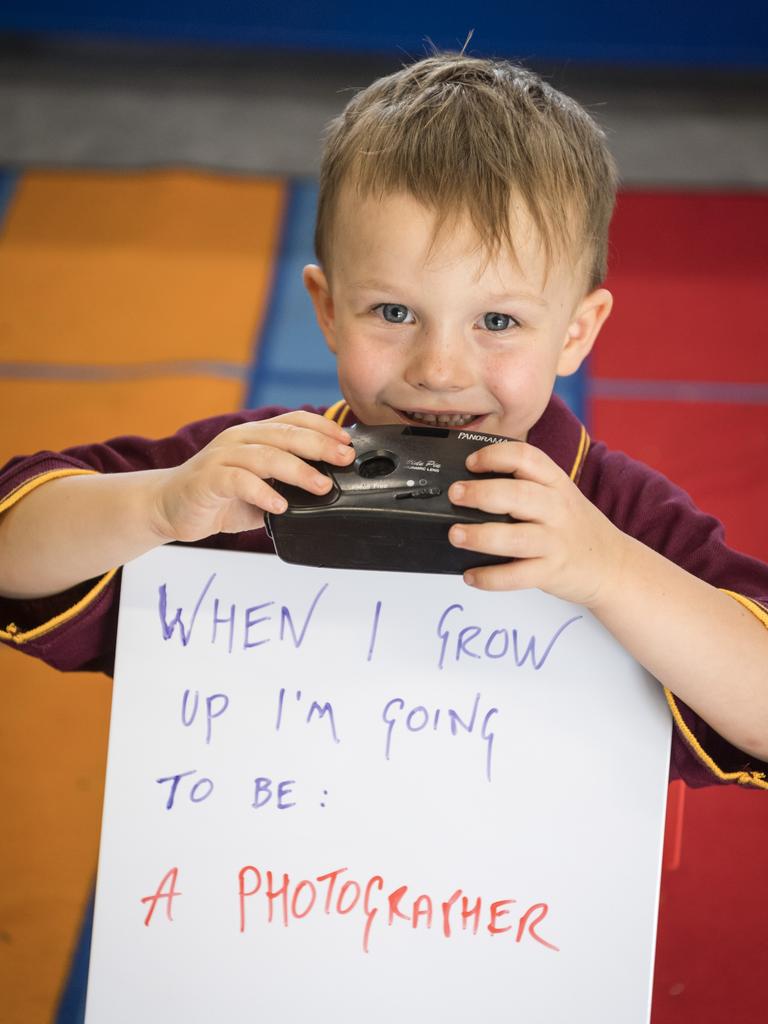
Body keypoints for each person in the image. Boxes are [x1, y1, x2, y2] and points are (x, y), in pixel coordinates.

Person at [0, 53, 766, 789]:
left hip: (520, 917)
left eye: (497, 320)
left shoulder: (614, 517)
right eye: (393, 312)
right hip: (247, 893)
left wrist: (613, 572)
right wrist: (159, 505)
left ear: (575, 332)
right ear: (329, 311)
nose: (438, 368)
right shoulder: (253, 475)